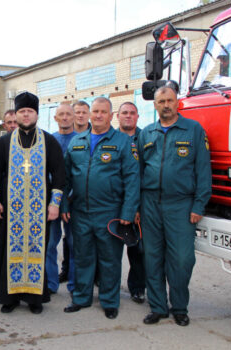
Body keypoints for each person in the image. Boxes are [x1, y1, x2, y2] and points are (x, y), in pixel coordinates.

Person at [0, 92, 65, 314]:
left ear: (36, 114)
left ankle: (34, 299)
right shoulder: (5, 141)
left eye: (29, 111)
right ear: (15, 115)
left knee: (38, 250)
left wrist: (55, 204)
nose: (25, 115)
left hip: (40, 210)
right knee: (9, 251)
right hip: (10, 209)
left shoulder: (49, 141)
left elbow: (59, 174)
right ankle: (9, 297)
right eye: (21, 111)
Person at [139, 86, 211, 326]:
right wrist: (137, 207)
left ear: (177, 102)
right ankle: (158, 307)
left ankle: (179, 307)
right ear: (155, 105)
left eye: (170, 100)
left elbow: (203, 170)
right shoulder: (147, 133)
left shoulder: (193, 130)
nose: (166, 105)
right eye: (161, 101)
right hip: (150, 204)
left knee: (182, 259)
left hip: (181, 204)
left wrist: (199, 205)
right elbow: (138, 171)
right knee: (152, 257)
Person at [62, 97, 140, 319]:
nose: (97, 115)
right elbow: (65, 177)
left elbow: (132, 179)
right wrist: (64, 203)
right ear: (88, 114)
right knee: (83, 256)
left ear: (111, 115)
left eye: (102, 112)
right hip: (80, 212)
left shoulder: (123, 142)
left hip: (110, 211)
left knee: (109, 258)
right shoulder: (77, 141)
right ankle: (81, 298)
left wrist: (127, 212)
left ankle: (109, 301)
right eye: (94, 111)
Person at [116, 102, 147, 304]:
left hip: (137, 204)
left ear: (137, 116)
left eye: (132, 113)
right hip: (112, 202)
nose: (128, 116)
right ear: (117, 116)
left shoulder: (146, 138)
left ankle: (137, 288)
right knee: (109, 249)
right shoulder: (109, 138)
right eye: (124, 113)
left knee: (137, 250)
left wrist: (136, 207)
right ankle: (105, 285)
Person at [47, 102, 77, 295]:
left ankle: (75, 285)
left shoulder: (81, 139)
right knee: (50, 243)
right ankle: (50, 284)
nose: (65, 117)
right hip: (51, 201)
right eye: (61, 115)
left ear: (74, 117)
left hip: (75, 201)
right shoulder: (48, 141)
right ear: (55, 118)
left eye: (68, 114)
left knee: (75, 244)